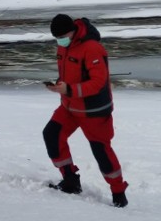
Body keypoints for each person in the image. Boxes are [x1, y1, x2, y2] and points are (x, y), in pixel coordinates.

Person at [42, 14, 128, 208]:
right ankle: (70, 180)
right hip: (69, 106)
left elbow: (98, 83)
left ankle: (119, 194)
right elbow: (70, 75)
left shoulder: (92, 48)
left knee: (101, 152)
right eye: (57, 37)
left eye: (62, 36)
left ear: (72, 31)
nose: (60, 40)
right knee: (52, 135)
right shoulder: (63, 46)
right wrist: (59, 86)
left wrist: (69, 89)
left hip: (94, 111)